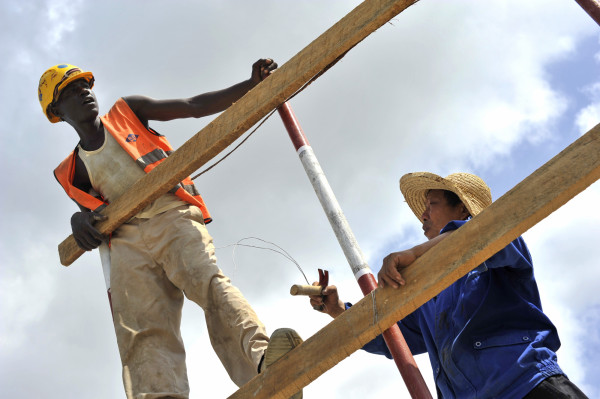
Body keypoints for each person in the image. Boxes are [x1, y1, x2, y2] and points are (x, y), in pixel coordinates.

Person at [38, 62, 303, 399]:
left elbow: (193, 106)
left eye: (84, 86)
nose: (84, 93)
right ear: (56, 110)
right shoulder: (72, 171)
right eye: (71, 91)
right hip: (128, 241)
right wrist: (77, 222)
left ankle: (265, 365)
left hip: (171, 215)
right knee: (142, 328)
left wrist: (249, 84)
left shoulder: (128, 112)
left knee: (209, 284)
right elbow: (90, 216)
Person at [310, 172, 588, 398]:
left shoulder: (501, 242)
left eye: (432, 204)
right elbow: (393, 339)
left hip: (526, 385)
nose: (423, 215)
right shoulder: (427, 296)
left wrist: (418, 253)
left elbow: (481, 236)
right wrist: (338, 310)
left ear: (463, 208)